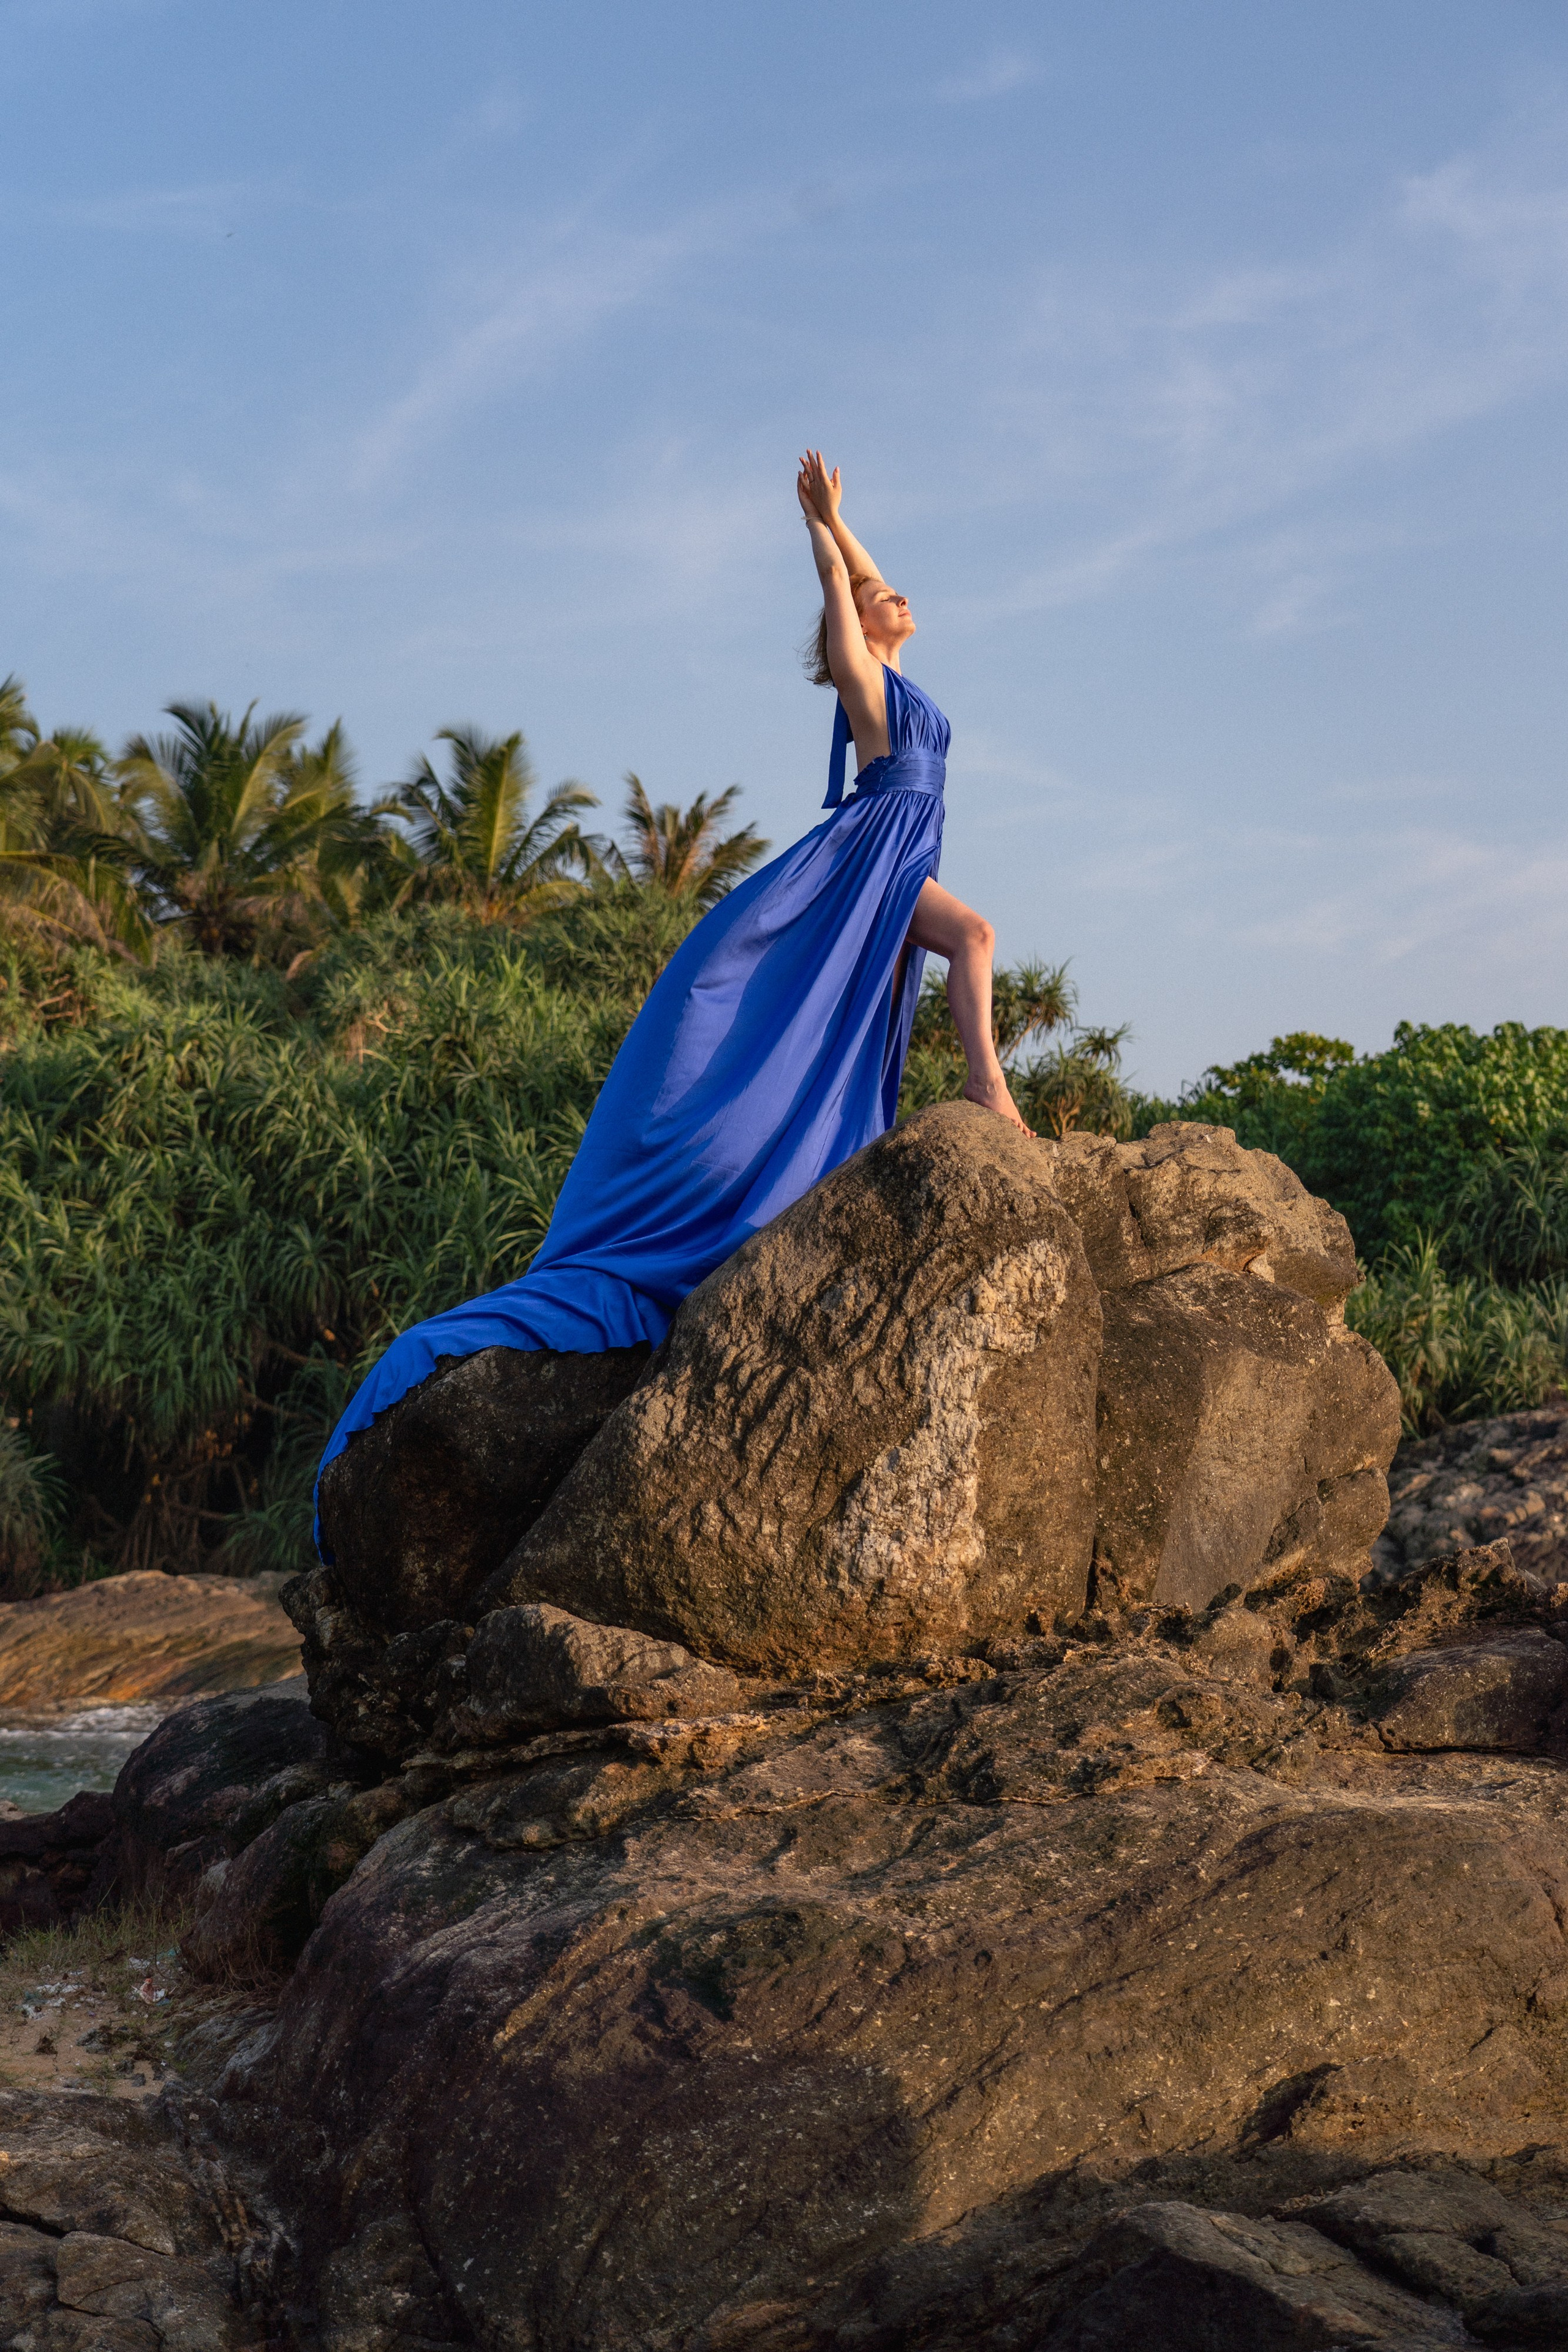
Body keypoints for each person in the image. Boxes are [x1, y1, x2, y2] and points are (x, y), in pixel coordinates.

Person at [312, 453, 1027, 1544]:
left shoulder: (900, 675)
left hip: (894, 850)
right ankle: (987, 1086)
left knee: (951, 951)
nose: (896, 592)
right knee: (973, 935)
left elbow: (868, 585)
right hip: (867, 856)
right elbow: (843, 605)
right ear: (853, 625)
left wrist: (844, 523)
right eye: (880, 592)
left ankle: (963, 1091)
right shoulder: (865, 679)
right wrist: (819, 537)